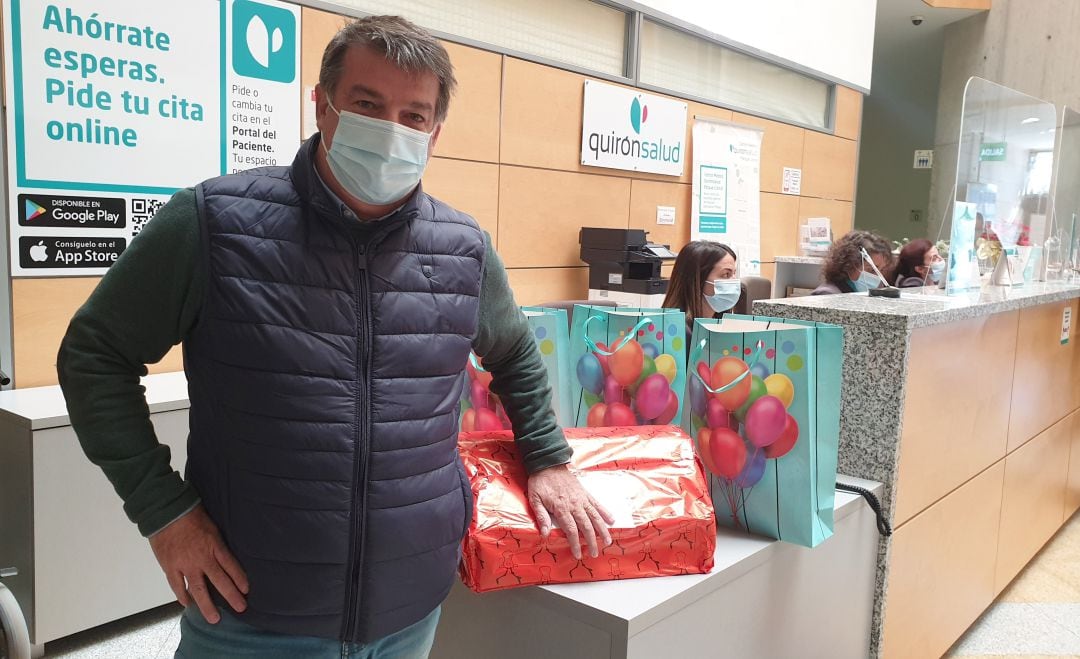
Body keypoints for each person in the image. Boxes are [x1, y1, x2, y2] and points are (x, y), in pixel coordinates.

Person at [56, 16, 612, 658]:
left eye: (414, 115)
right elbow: (95, 354)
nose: (391, 130)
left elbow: (513, 353)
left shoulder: (464, 250)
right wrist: (164, 513)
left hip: (410, 610)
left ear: (435, 133)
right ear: (322, 106)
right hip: (252, 615)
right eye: (368, 105)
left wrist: (547, 457)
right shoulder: (214, 224)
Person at [661, 240, 740, 337]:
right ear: (698, 279)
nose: (734, 281)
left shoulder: (719, 325)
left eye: (734, 273)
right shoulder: (677, 332)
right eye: (726, 274)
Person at [813, 230, 893, 295]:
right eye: (872, 270)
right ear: (849, 265)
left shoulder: (868, 293)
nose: (878, 277)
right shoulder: (827, 294)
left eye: (882, 270)